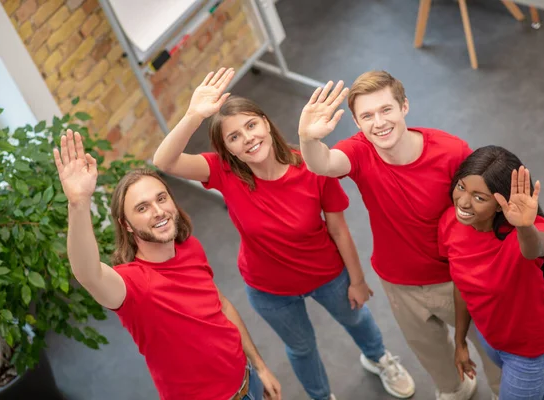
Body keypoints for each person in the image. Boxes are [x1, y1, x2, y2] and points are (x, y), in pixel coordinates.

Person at [152, 67, 415, 400]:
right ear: (228, 150)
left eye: (251, 125)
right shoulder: (223, 171)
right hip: (270, 290)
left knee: (357, 320)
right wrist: (193, 114)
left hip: (327, 275)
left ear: (266, 123)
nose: (247, 138)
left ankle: (379, 358)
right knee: (301, 348)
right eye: (234, 137)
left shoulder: (312, 165)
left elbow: (338, 227)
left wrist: (358, 280)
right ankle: (321, 397)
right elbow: (165, 161)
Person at [298, 71, 501, 399]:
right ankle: (454, 390)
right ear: (356, 121)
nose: (378, 122)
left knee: (494, 351)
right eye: (367, 115)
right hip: (400, 283)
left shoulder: (451, 152)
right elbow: (323, 164)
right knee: (432, 355)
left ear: (404, 106)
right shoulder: (360, 151)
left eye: (386, 110)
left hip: (458, 277)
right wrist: (307, 138)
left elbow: (484, 211)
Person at [53, 130, 281, 400]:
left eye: (161, 199)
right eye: (142, 208)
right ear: (126, 225)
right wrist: (78, 203)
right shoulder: (131, 286)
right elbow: (88, 273)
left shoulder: (190, 248)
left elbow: (220, 306)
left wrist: (259, 367)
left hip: (247, 380)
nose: (158, 211)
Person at [438, 145, 544, 400]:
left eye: (479, 197)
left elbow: (536, 247)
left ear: (499, 204)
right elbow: (462, 286)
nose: (462, 201)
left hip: (529, 350)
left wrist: (525, 227)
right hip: (490, 338)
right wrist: (460, 341)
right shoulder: (450, 222)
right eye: (461, 187)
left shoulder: (528, 232)